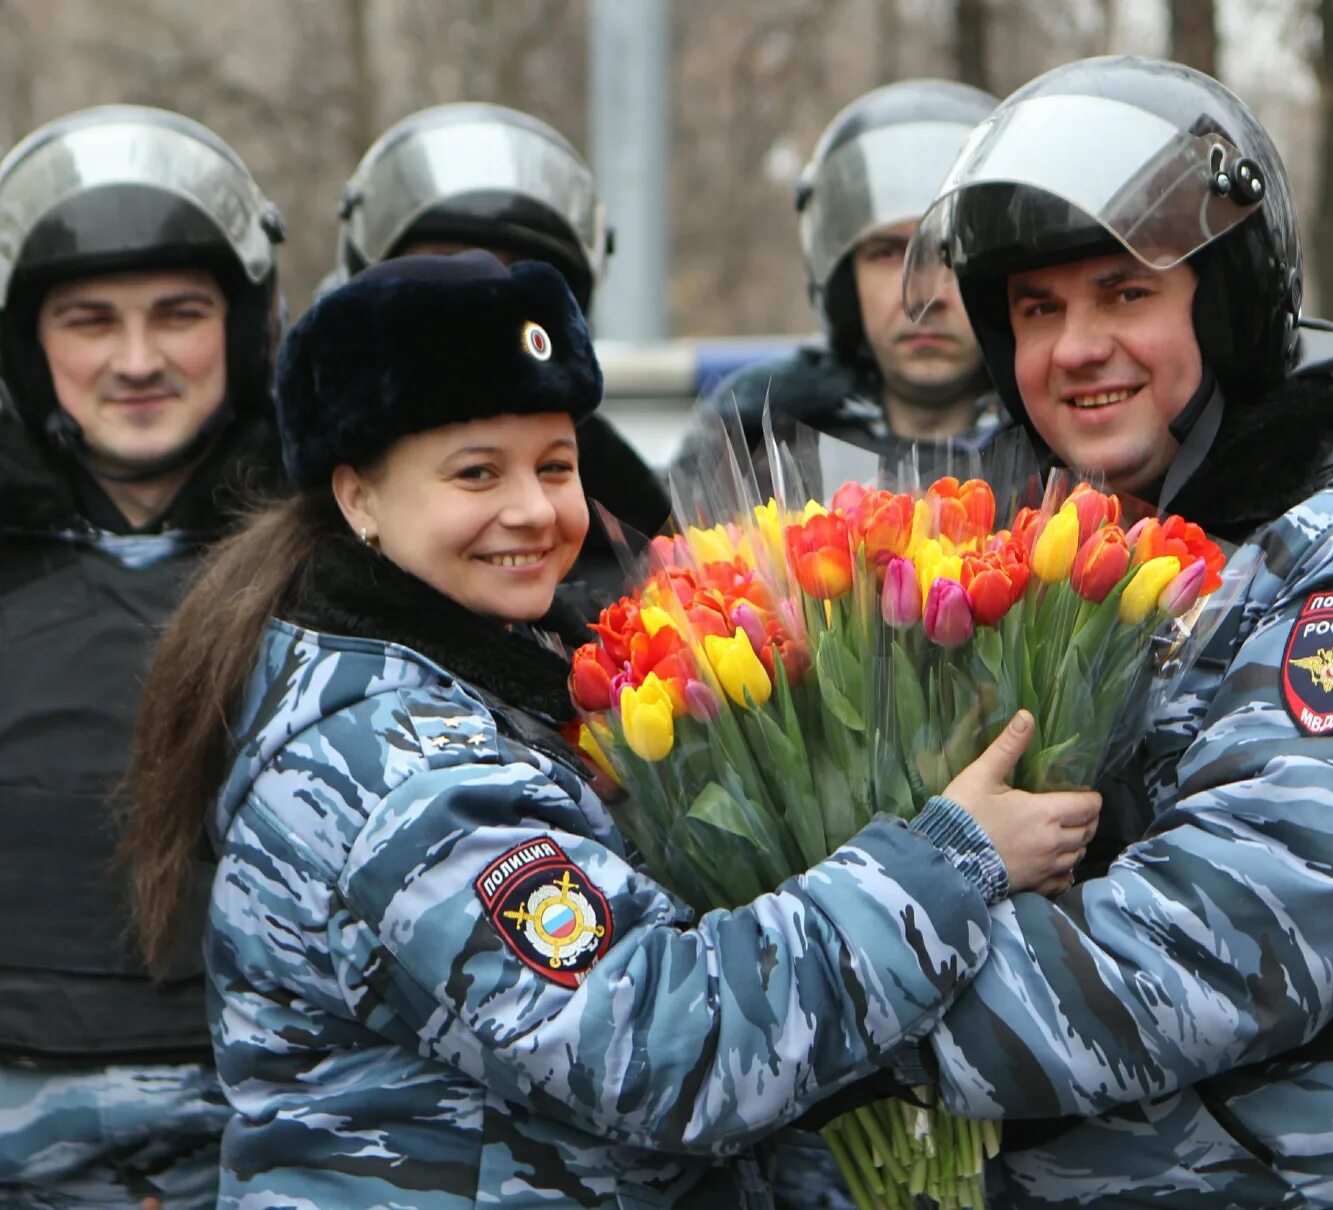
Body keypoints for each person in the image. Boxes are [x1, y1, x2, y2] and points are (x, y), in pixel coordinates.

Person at [121, 250, 1100, 1207]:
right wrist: (950, 857)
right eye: (474, 473)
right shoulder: (400, 768)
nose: (534, 510)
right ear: (357, 496)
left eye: (555, 464)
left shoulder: (474, 669)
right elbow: (665, 1049)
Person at [804, 54, 1333, 1209]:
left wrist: (811, 1001)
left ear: (1230, 304)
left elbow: (1234, 939)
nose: (1076, 347)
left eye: (1125, 292)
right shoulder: (1067, 575)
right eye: (1038, 310)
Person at [0, 105, 287, 1208]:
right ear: (29, 345)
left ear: (245, 325)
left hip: (257, 1119)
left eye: (179, 313)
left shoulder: (339, 546)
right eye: (88, 320)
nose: (136, 360)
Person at [337, 100, 670, 580]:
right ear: (357, 497)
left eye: (554, 468)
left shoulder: (637, 532)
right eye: (443, 282)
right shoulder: (291, 573)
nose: (486, 313)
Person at [671, 79, 1001, 478]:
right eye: (886, 253)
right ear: (843, 284)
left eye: (950, 253)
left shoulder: (1074, 457)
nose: (924, 296)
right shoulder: (754, 459)